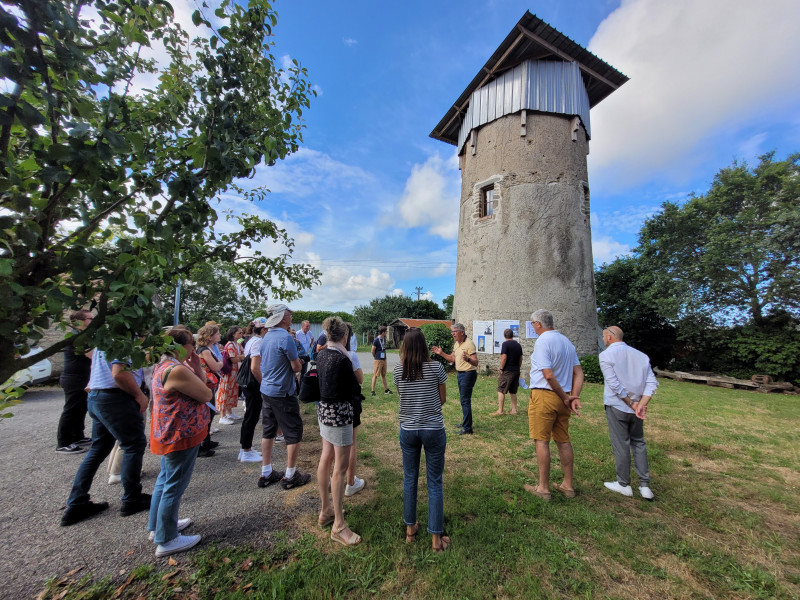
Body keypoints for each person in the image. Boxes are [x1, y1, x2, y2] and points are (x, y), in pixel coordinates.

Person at [60, 348, 150, 526]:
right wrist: (139, 395)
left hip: (97, 395)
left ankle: (77, 501)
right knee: (134, 444)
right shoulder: (123, 340)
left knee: (98, 448)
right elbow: (119, 374)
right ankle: (132, 498)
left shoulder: (105, 340)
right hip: (115, 397)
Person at [147, 327, 213, 557]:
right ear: (178, 346)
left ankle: (158, 527)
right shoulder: (176, 370)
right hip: (180, 434)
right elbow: (206, 394)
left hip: (169, 431)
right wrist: (194, 369)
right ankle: (167, 539)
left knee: (164, 480)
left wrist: (195, 366)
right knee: (174, 484)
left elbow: (201, 383)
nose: (193, 349)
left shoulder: (164, 365)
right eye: (190, 345)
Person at [394, 328, 450, 552]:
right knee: (434, 482)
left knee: (410, 479)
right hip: (433, 429)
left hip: (408, 429)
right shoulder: (437, 367)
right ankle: (436, 540)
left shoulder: (399, 370)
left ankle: (410, 529)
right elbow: (442, 399)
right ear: (425, 345)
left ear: (404, 346)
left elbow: (402, 397)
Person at [525, 309, 583, 501]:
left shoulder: (543, 341)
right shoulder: (567, 342)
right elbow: (579, 373)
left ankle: (543, 488)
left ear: (538, 324)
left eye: (533, 324)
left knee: (541, 440)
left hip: (545, 395)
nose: (533, 327)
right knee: (563, 440)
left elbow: (547, 374)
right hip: (563, 396)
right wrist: (572, 397)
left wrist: (567, 397)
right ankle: (568, 485)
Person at [316, 316, 362, 546]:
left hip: (324, 411)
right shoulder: (342, 359)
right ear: (344, 336)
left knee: (325, 458)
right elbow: (355, 387)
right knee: (340, 470)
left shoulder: (321, 353)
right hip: (340, 414)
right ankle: (339, 525)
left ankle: (325, 511)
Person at [599, 326, 658, 500]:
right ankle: (644, 486)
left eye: (603, 336)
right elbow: (652, 383)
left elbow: (614, 385)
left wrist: (631, 403)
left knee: (621, 444)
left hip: (618, 406)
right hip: (637, 408)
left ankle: (623, 483)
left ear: (609, 338)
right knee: (639, 443)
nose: (603, 340)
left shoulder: (606, 355)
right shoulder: (641, 356)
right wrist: (641, 404)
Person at [257, 304, 312, 490]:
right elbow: (296, 367)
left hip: (267, 389)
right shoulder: (285, 338)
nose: (291, 318)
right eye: (289, 315)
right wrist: (300, 362)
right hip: (283, 391)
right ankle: (290, 475)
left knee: (268, 430)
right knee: (293, 431)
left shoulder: (265, 337)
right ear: (282, 318)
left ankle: (266, 472)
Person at [56, 310, 94, 454]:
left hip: (82, 377)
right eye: (91, 319)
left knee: (81, 408)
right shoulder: (77, 337)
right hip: (74, 378)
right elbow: (91, 354)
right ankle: (63, 442)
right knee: (71, 410)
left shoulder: (82, 336)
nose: (93, 321)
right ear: (79, 321)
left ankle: (78, 436)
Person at [432, 323, 478, 435]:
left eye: (455, 331)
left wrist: (468, 360)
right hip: (461, 374)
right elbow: (452, 359)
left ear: (462, 332)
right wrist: (441, 353)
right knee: (463, 400)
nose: (453, 334)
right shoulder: (457, 344)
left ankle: (467, 428)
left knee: (465, 400)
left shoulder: (469, 344)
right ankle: (465, 423)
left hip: (468, 374)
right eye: (452, 331)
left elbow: (475, 362)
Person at [238, 318, 267, 463]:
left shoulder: (251, 340)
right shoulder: (259, 342)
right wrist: (263, 384)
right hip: (253, 384)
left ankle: (245, 448)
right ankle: (246, 451)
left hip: (248, 383)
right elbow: (255, 367)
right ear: (263, 330)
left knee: (250, 415)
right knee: (252, 415)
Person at [344, 323, 365, 497]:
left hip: (328, 407)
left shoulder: (323, 353)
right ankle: (350, 482)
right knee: (351, 444)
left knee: (329, 446)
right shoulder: (350, 355)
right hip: (349, 403)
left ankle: (332, 478)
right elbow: (360, 379)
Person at [217, 326, 244, 424]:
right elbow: (234, 359)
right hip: (229, 372)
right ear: (233, 334)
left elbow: (241, 353)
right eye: (239, 333)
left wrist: (240, 356)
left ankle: (229, 412)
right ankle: (222, 415)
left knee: (232, 392)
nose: (241, 335)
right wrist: (242, 357)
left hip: (235, 372)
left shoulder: (237, 344)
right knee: (225, 392)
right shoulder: (230, 345)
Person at [494, 328, 523, 415]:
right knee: (513, 391)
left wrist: (501, 368)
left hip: (507, 370)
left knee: (501, 389)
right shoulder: (518, 345)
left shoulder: (505, 344)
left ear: (504, 336)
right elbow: (521, 358)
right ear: (512, 335)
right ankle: (514, 410)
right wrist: (518, 367)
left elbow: (504, 357)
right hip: (516, 370)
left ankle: (500, 410)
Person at [370, 326, 391, 397]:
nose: (387, 333)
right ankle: (372, 391)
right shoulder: (376, 340)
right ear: (383, 332)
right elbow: (372, 350)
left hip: (384, 359)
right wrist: (375, 357)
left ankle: (386, 389)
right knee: (376, 375)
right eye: (386, 331)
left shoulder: (384, 339)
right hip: (378, 359)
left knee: (383, 374)